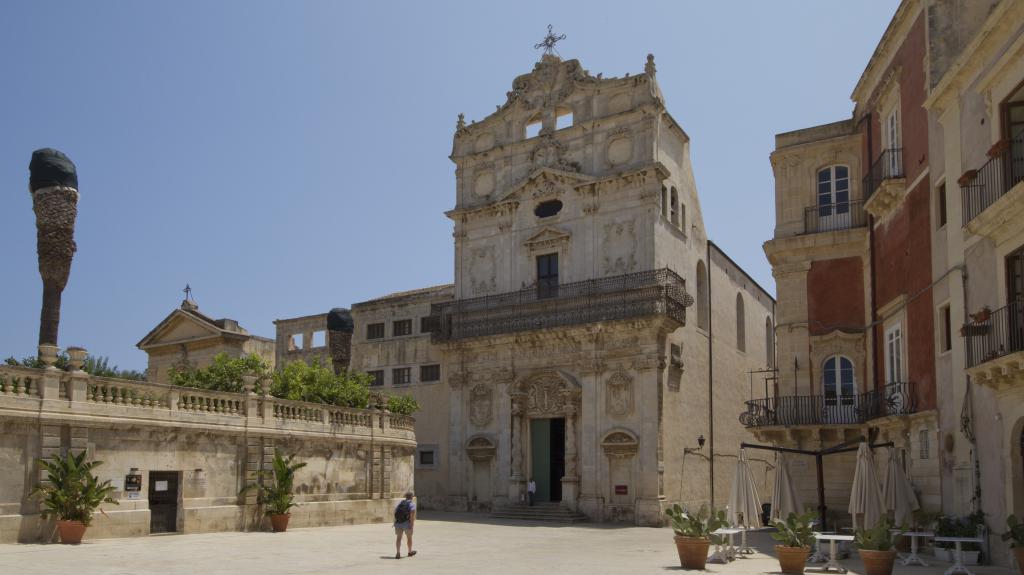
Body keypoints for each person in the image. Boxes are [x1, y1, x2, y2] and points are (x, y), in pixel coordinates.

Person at [393, 491, 416, 559]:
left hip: (398, 523)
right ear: (412, 497)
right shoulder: (412, 504)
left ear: (405, 496)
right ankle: (409, 552)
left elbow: (395, 512)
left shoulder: (400, 503)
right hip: (406, 523)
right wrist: (411, 525)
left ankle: (398, 553)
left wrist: (395, 522)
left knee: (398, 538)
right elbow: (412, 515)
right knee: (409, 538)